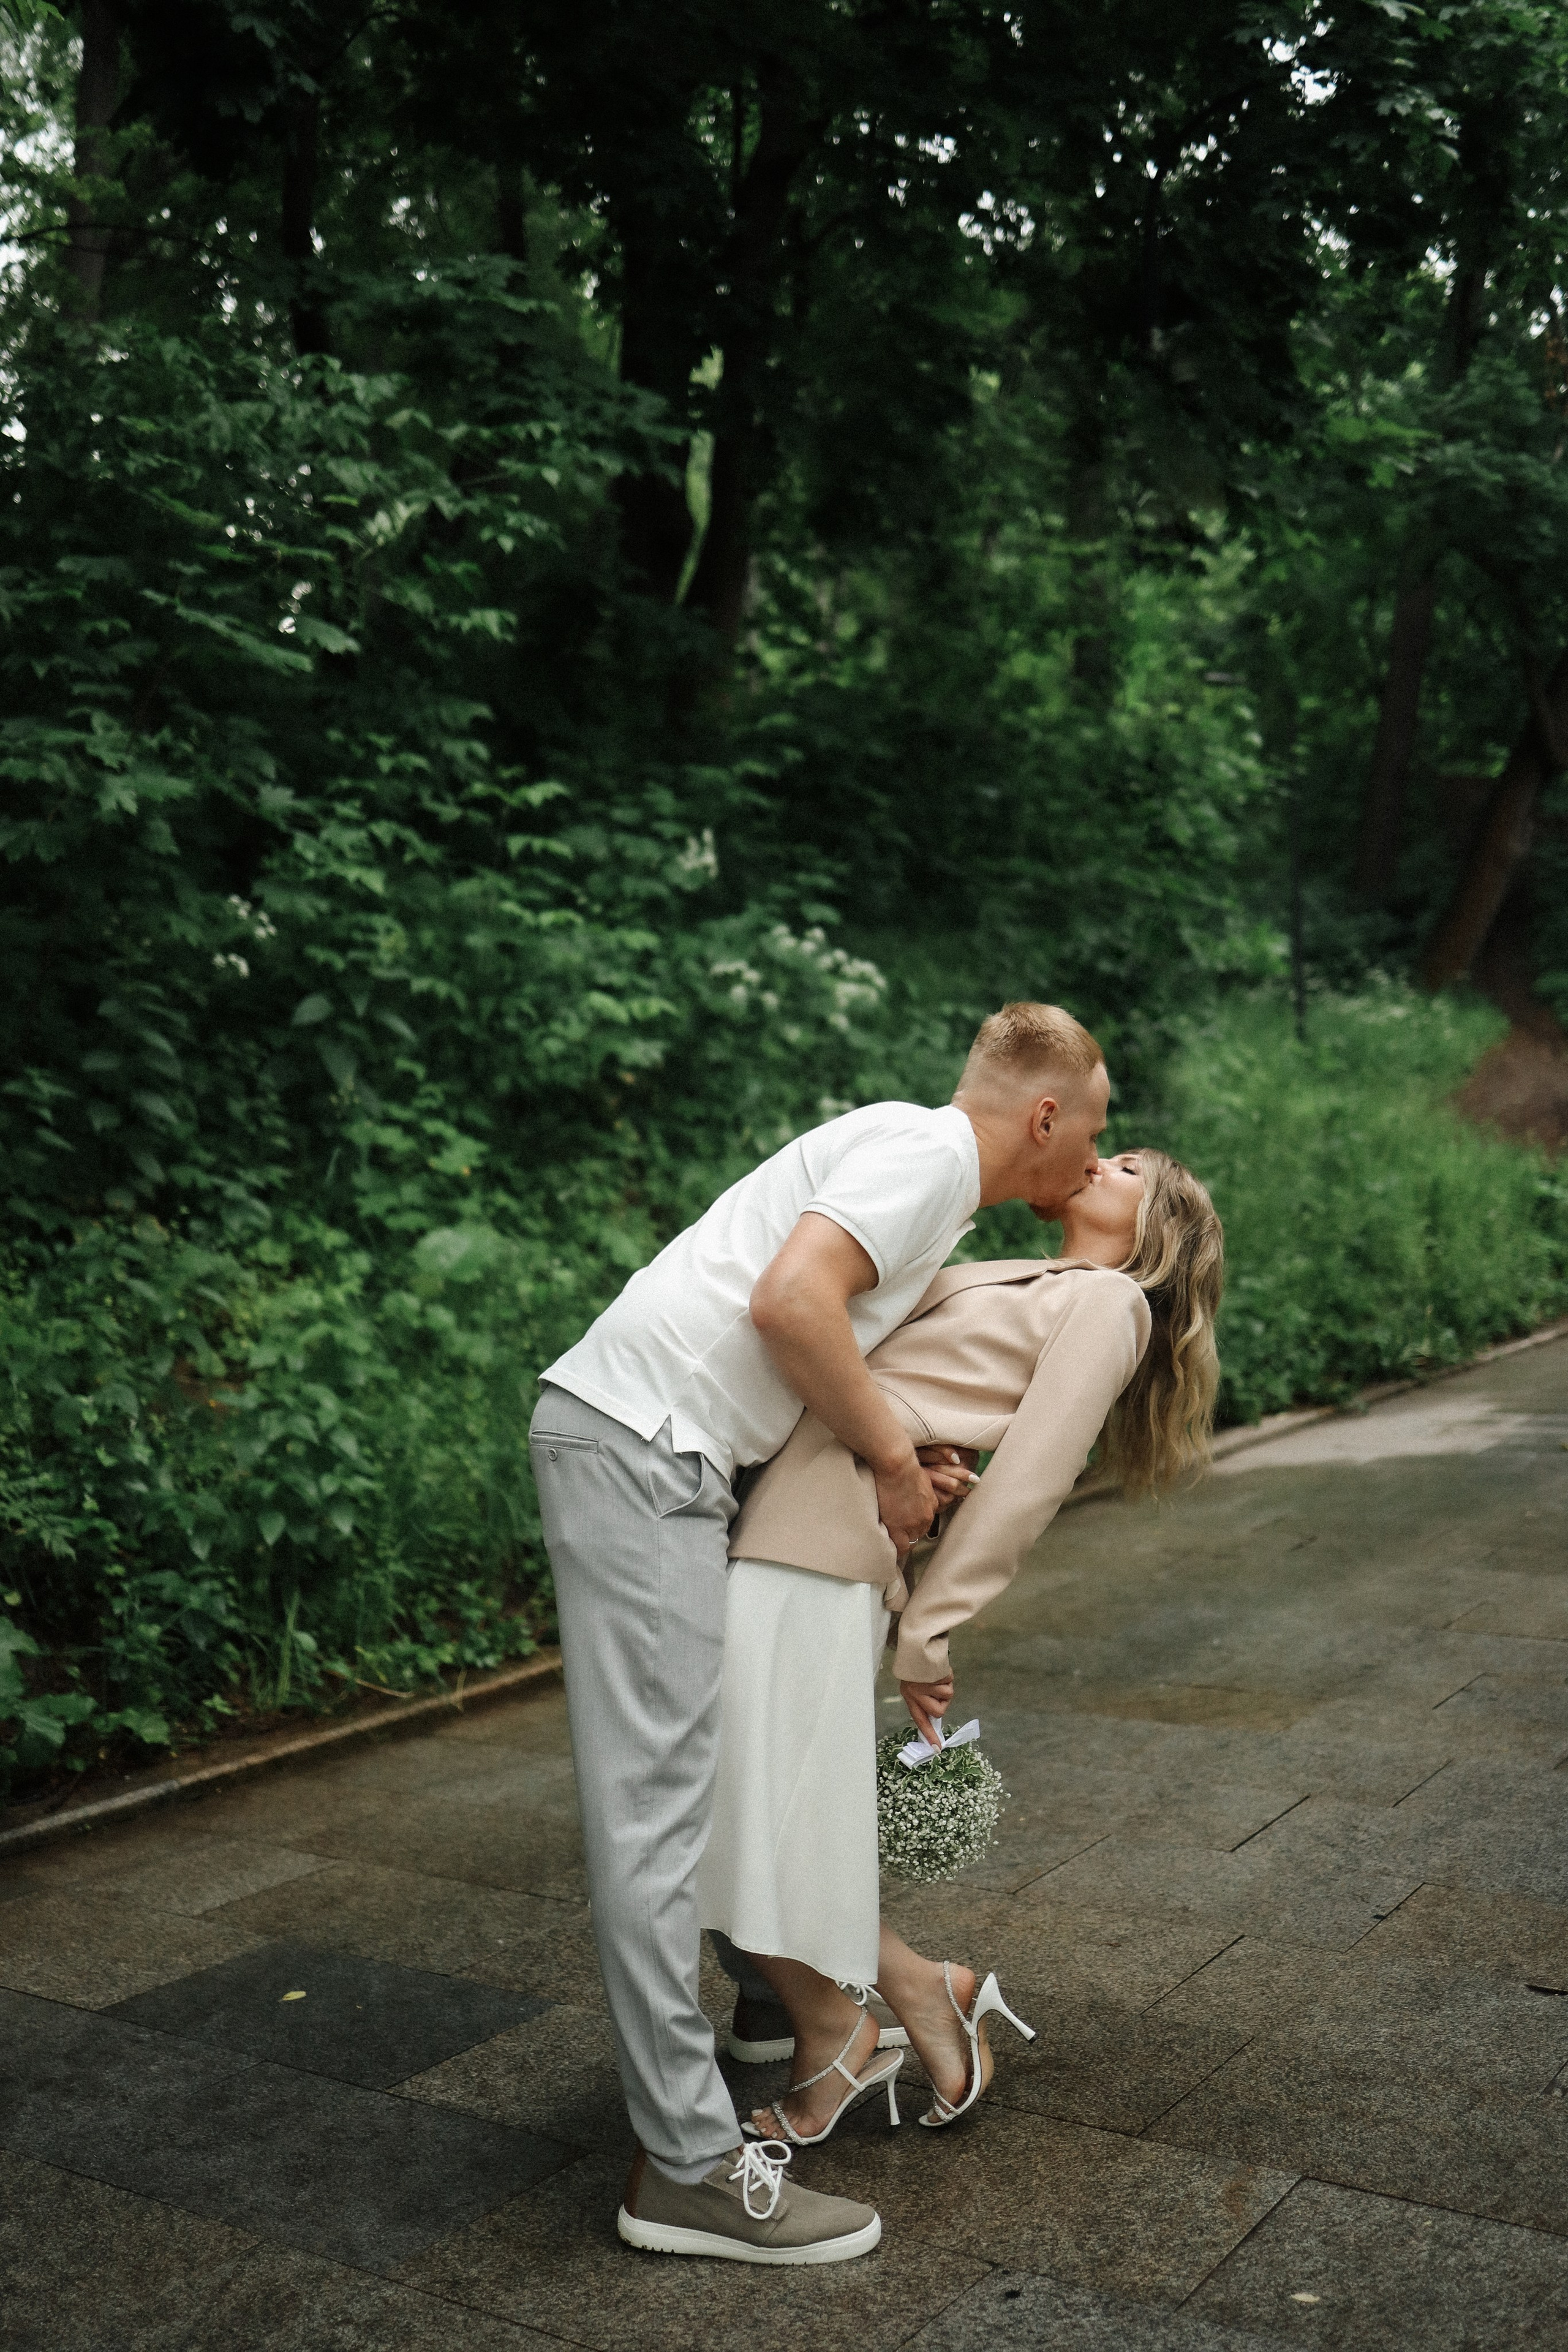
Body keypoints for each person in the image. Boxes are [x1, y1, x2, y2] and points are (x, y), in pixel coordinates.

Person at [529, 1002, 1111, 2264]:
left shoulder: (926, 1172)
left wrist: (908, 1438)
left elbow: (827, 1330)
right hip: (642, 1454)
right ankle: (682, 2168)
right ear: (1045, 1114)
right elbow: (790, 1306)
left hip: (666, 1458)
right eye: (1098, 1127)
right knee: (654, 1821)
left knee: (699, 1785)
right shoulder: (925, 1156)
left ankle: (768, 2009)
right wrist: (894, 1460)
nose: (1097, 1156)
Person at [698, 1148, 1223, 2146]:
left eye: (1124, 1166)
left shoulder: (1112, 1307)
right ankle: (916, 1993)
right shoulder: (1018, 1276)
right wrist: (933, 1449)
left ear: (1157, 1224)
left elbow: (1032, 1478)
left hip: (826, 1538)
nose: (1098, 1158)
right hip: (794, 1513)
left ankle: (850, 2032)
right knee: (745, 1806)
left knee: (731, 1809)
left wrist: (931, 1629)